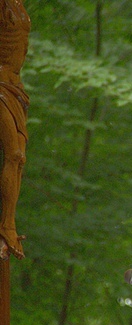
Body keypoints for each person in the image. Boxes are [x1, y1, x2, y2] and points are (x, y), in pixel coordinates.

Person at [0, 0, 31, 260]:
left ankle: (9, 222)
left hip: (15, 88)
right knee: (14, 155)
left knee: (20, 158)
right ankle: (6, 225)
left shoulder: (19, 5)